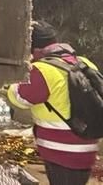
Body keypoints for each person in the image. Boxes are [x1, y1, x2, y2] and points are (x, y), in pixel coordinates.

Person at [6, 20, 98, 185]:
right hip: (87, 145)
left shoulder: (42, 70)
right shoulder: (83, 62)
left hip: (61, 151)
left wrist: (13, 83)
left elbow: (19, 98)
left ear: (34, 49)